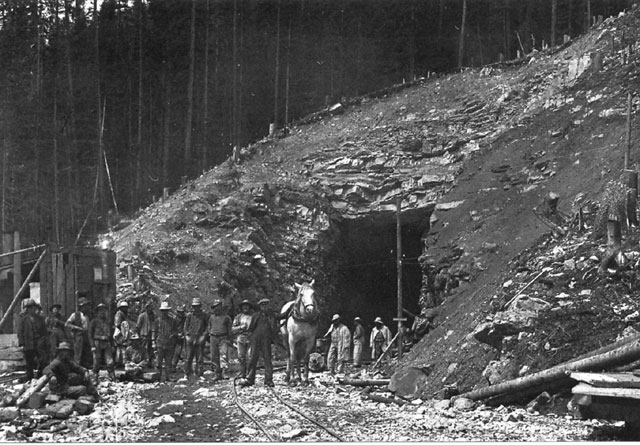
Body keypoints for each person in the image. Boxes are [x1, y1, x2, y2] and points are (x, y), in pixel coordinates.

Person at [241, 298, 281, 387]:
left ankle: (268, 380)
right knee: (253, 358)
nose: (264, 306)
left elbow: (282, 316)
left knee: (267, 359)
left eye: (266, 304)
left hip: (266, 340)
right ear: (260, 306)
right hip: (255, 340)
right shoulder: (255, 316)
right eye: (262, 305)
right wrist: (250, 339)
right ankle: (250, 379)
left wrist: (291, 308)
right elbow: (250, 328)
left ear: (268, 306)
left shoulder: (272, 316)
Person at [89, 303, 115, 383]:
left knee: (109, 360)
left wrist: (112, 344)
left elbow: (111, 334)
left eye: (104, 310)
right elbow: (90, 334)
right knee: (97, 360)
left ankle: (112, 376)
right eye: (100, 310)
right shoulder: (94, 321)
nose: (102, 312)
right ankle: (95, 377)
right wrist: (92, 345)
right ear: (97, 312)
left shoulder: (108, 322)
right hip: (97, 342)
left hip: (107, 342)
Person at [183, 298, 208, 378]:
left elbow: (207, 327)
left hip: (200, 337)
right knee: (188, 357)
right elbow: (185, 327)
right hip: (190, 337)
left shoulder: (204, 315)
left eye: (197, 306)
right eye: (194, 306)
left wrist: (203, 336)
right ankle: (187, 373)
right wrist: (187, 336)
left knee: (199, 357)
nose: (195, 308)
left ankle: (199, 374)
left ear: (200, 306)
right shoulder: (189, 315)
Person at [207, 299, 232, 381]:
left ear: (221, 307)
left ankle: (224, 372)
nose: (216, 309)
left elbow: (229, 329)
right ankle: (217, 373)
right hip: (213, 337)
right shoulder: (211, 317)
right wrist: (210, 334)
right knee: (214, 356)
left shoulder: (226, 317)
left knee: (223, 355)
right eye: (214, 307)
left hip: (223, 337)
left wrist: (229, 339)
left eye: (217, 306)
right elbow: (209, 327)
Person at [65, 295, 91, 366]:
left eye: (87, 306)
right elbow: (67, 324)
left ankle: (85, 365)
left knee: (86, 350)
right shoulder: (75, 315)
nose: (86, 307)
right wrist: (77, 328)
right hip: (79, 335)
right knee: (78, 351)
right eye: (85, 306)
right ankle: (76, 365)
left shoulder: (87, 316)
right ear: (81, 306)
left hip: (86, 335)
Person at [231, 299, 253, 379]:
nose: (245, 307)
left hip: (251, 338)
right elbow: (233, 329)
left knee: (250, 356)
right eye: (244, 306)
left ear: (249, 307)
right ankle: (242, 372)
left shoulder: (253, 317)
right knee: (241, 357)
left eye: (247, 306)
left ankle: (250, 373)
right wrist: (240, 327)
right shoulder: (238, 317)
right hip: (241, 338)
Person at [17, 299, 38, 381]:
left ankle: (38, 376)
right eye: (31, 308)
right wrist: (22, 344)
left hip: (36, 343)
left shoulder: (37, 318)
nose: (33, 310)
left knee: (39, 360)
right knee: (29, 362)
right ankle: (30, 377)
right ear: (28, 309)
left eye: (34, 308)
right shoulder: (23, 319)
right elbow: (20, 332)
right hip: (27, 344)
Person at [155, 301, 174, 382]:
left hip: (169, 343)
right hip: (160, 343)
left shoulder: (172, 320)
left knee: (168, 362)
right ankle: (157, 377)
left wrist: (173, 335)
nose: (164, 312)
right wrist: (154, 342)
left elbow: (175, 330)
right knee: (158, 362)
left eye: (166, 311)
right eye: (163, 311)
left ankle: (168, 377)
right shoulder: (157, 321)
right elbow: (154, 332)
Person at [136, 302, 156, 368]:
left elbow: (154, 325)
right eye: (148, 307)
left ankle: (150, 362)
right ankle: (143, 363)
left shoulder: (152, 316)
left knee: (151, 349)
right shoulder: (142, 316)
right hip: (143, 335)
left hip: (151, 335)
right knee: (144, 349)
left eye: (150, 307)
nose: (150, 309)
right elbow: (138, 326)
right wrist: (138, 335)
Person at [113, 300, 130, 367]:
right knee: (120, 348)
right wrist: (122, 332)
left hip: (122, 332)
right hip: (119, 333)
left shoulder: (124, 314)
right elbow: (117, 324)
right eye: (124, 307)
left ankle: (120, 362)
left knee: (121, 348)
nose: (126, 309)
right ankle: (118, 362)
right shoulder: (119, 314)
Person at [33, 304, 49, 375]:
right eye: (35, 310)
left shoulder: (41, 319)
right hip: (32, 340)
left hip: (40, 339)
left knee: (42, 356)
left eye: (38, 310)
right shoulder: (30, 318)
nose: (36, 311)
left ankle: (41, 371)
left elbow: (44, 330)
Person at [170, 305, 186, 373]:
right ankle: (170, 366)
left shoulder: (185, 319)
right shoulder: (173, 319)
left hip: (181, 338)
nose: (181, 313)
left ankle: (174, 366)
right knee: (172, 352)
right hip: (173, 338)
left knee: (178, 352)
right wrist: (176, 334)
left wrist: (183, 334)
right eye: (179, 312)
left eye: (182, 312)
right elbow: (171, 329)